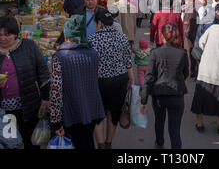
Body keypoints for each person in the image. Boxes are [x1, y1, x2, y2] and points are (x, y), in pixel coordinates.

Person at [0, 16, 50, 149]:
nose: (2, 38)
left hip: (28, 104)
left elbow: (43, 73)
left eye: (7, 35)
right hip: (2, 107)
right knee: (9, 141)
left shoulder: (29, 46)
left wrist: (46, 98)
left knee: (31, 140)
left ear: (16, 34)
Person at [49, 15, 105, 149]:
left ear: (66, 35)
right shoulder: (94, 54)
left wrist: (56, 121)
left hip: (71, 113)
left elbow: (55, 91)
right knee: (87, 142)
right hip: (92, 110)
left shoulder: (59, 57)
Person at [88, 8, 135, 149]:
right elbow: (128, 62)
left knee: (99, 113)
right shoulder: (122, 38)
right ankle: (108, 143)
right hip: (119, 81)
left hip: (99, 82)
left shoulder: (92, 39)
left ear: (100, 23)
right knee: (113, 113)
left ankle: (101, 145)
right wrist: (131, 80)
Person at [140, 23, 189, 149]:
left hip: (159, 96)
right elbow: (186, 73)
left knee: (159, 121)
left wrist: (143, 100)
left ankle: (160, 142)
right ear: (176, 35)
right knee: (175, 130)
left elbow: (149, 77)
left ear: (161, 35)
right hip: (177, 95)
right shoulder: (182, 53)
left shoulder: (155, 53)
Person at [183, 0, 199, 78]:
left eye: (186, 0)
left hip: (191, 34)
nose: (185, 2)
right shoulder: (192, 8)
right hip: (193, 33)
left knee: (191, 53)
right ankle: (192, 70)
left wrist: (187, 33)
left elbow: (191, 22)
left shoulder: (191, 9)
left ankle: (192, 71)